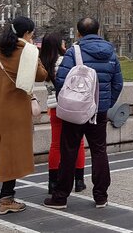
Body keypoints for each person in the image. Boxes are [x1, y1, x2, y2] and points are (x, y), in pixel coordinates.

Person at [44, 18, 123, 209]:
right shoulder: (111, 53)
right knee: (99, 151)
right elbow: (118, 83)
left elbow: (61, 81)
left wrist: (70, 102)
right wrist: (105, 104)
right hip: (99, 111)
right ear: (98, 31)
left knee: (68, 151)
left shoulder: (74, 52)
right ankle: (101, 196)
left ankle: (60, 197)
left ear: (79, 33)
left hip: (76, 111)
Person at [0, 16, 48, 215]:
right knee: (11, 155)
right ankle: (6, 199)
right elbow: (42, 75)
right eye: (31, 33)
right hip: (16, 113)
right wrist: (34, 52)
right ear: (27, 33)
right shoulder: (28, 52)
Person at [39, 33, 86, 195]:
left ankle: (52, 182)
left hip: (54, 108)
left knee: (56, 145)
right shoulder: (66, 60)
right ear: (59, 45)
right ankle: (79, 180)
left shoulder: (44, 64)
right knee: (78, 142)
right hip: (71, 106)